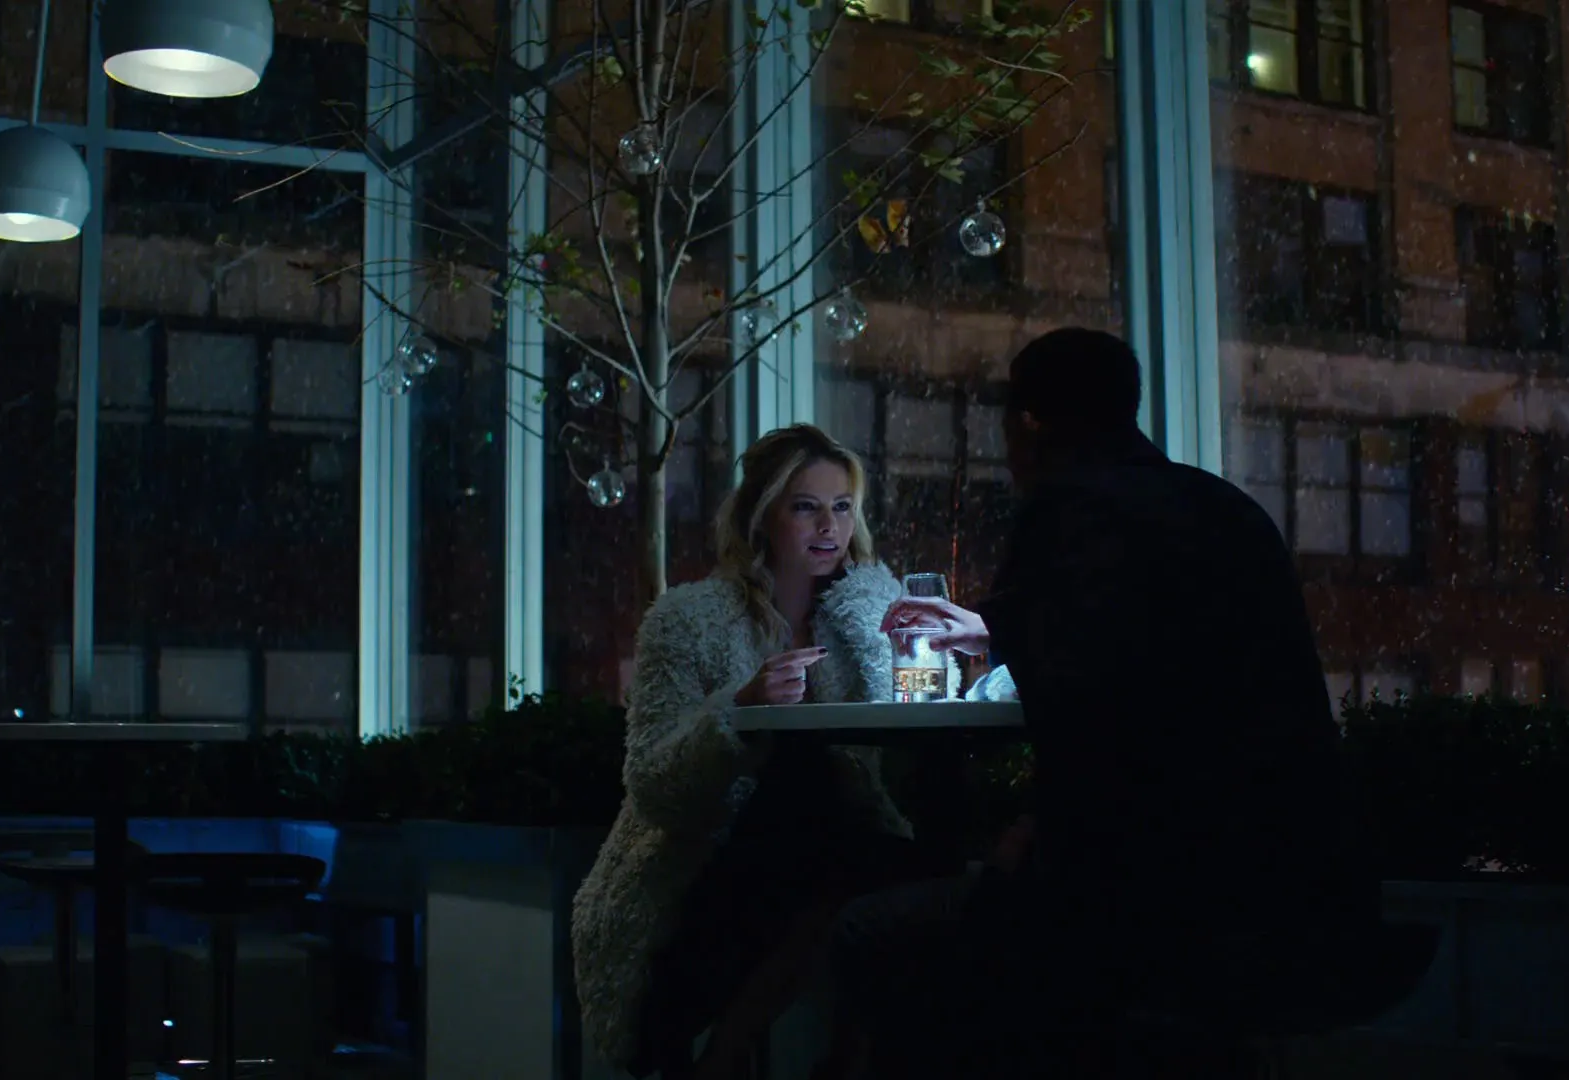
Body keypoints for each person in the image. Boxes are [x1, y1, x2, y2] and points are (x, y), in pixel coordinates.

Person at [821, 328, 1381, 1078]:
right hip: (1293, 895)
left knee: (873, 934)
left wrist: (1038, 832)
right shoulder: (1224, 507)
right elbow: (1165, 655)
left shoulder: (1070, 509)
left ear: (1028, 423)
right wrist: (996, 625)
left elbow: (1095, 712)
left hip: (1143, 899)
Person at [571, 424, 954, 1080]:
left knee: (888, 856)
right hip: (712, 861)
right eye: (806, 507)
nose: (828, 527)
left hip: (826, 858)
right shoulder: (690, 621)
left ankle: (767, 1060)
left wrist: (896, 636)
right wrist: (739, 710)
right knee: (814, 797)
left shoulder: (871, 617)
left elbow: (900, 752)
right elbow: (654, 781)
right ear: (762, 516)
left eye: (842, 507)